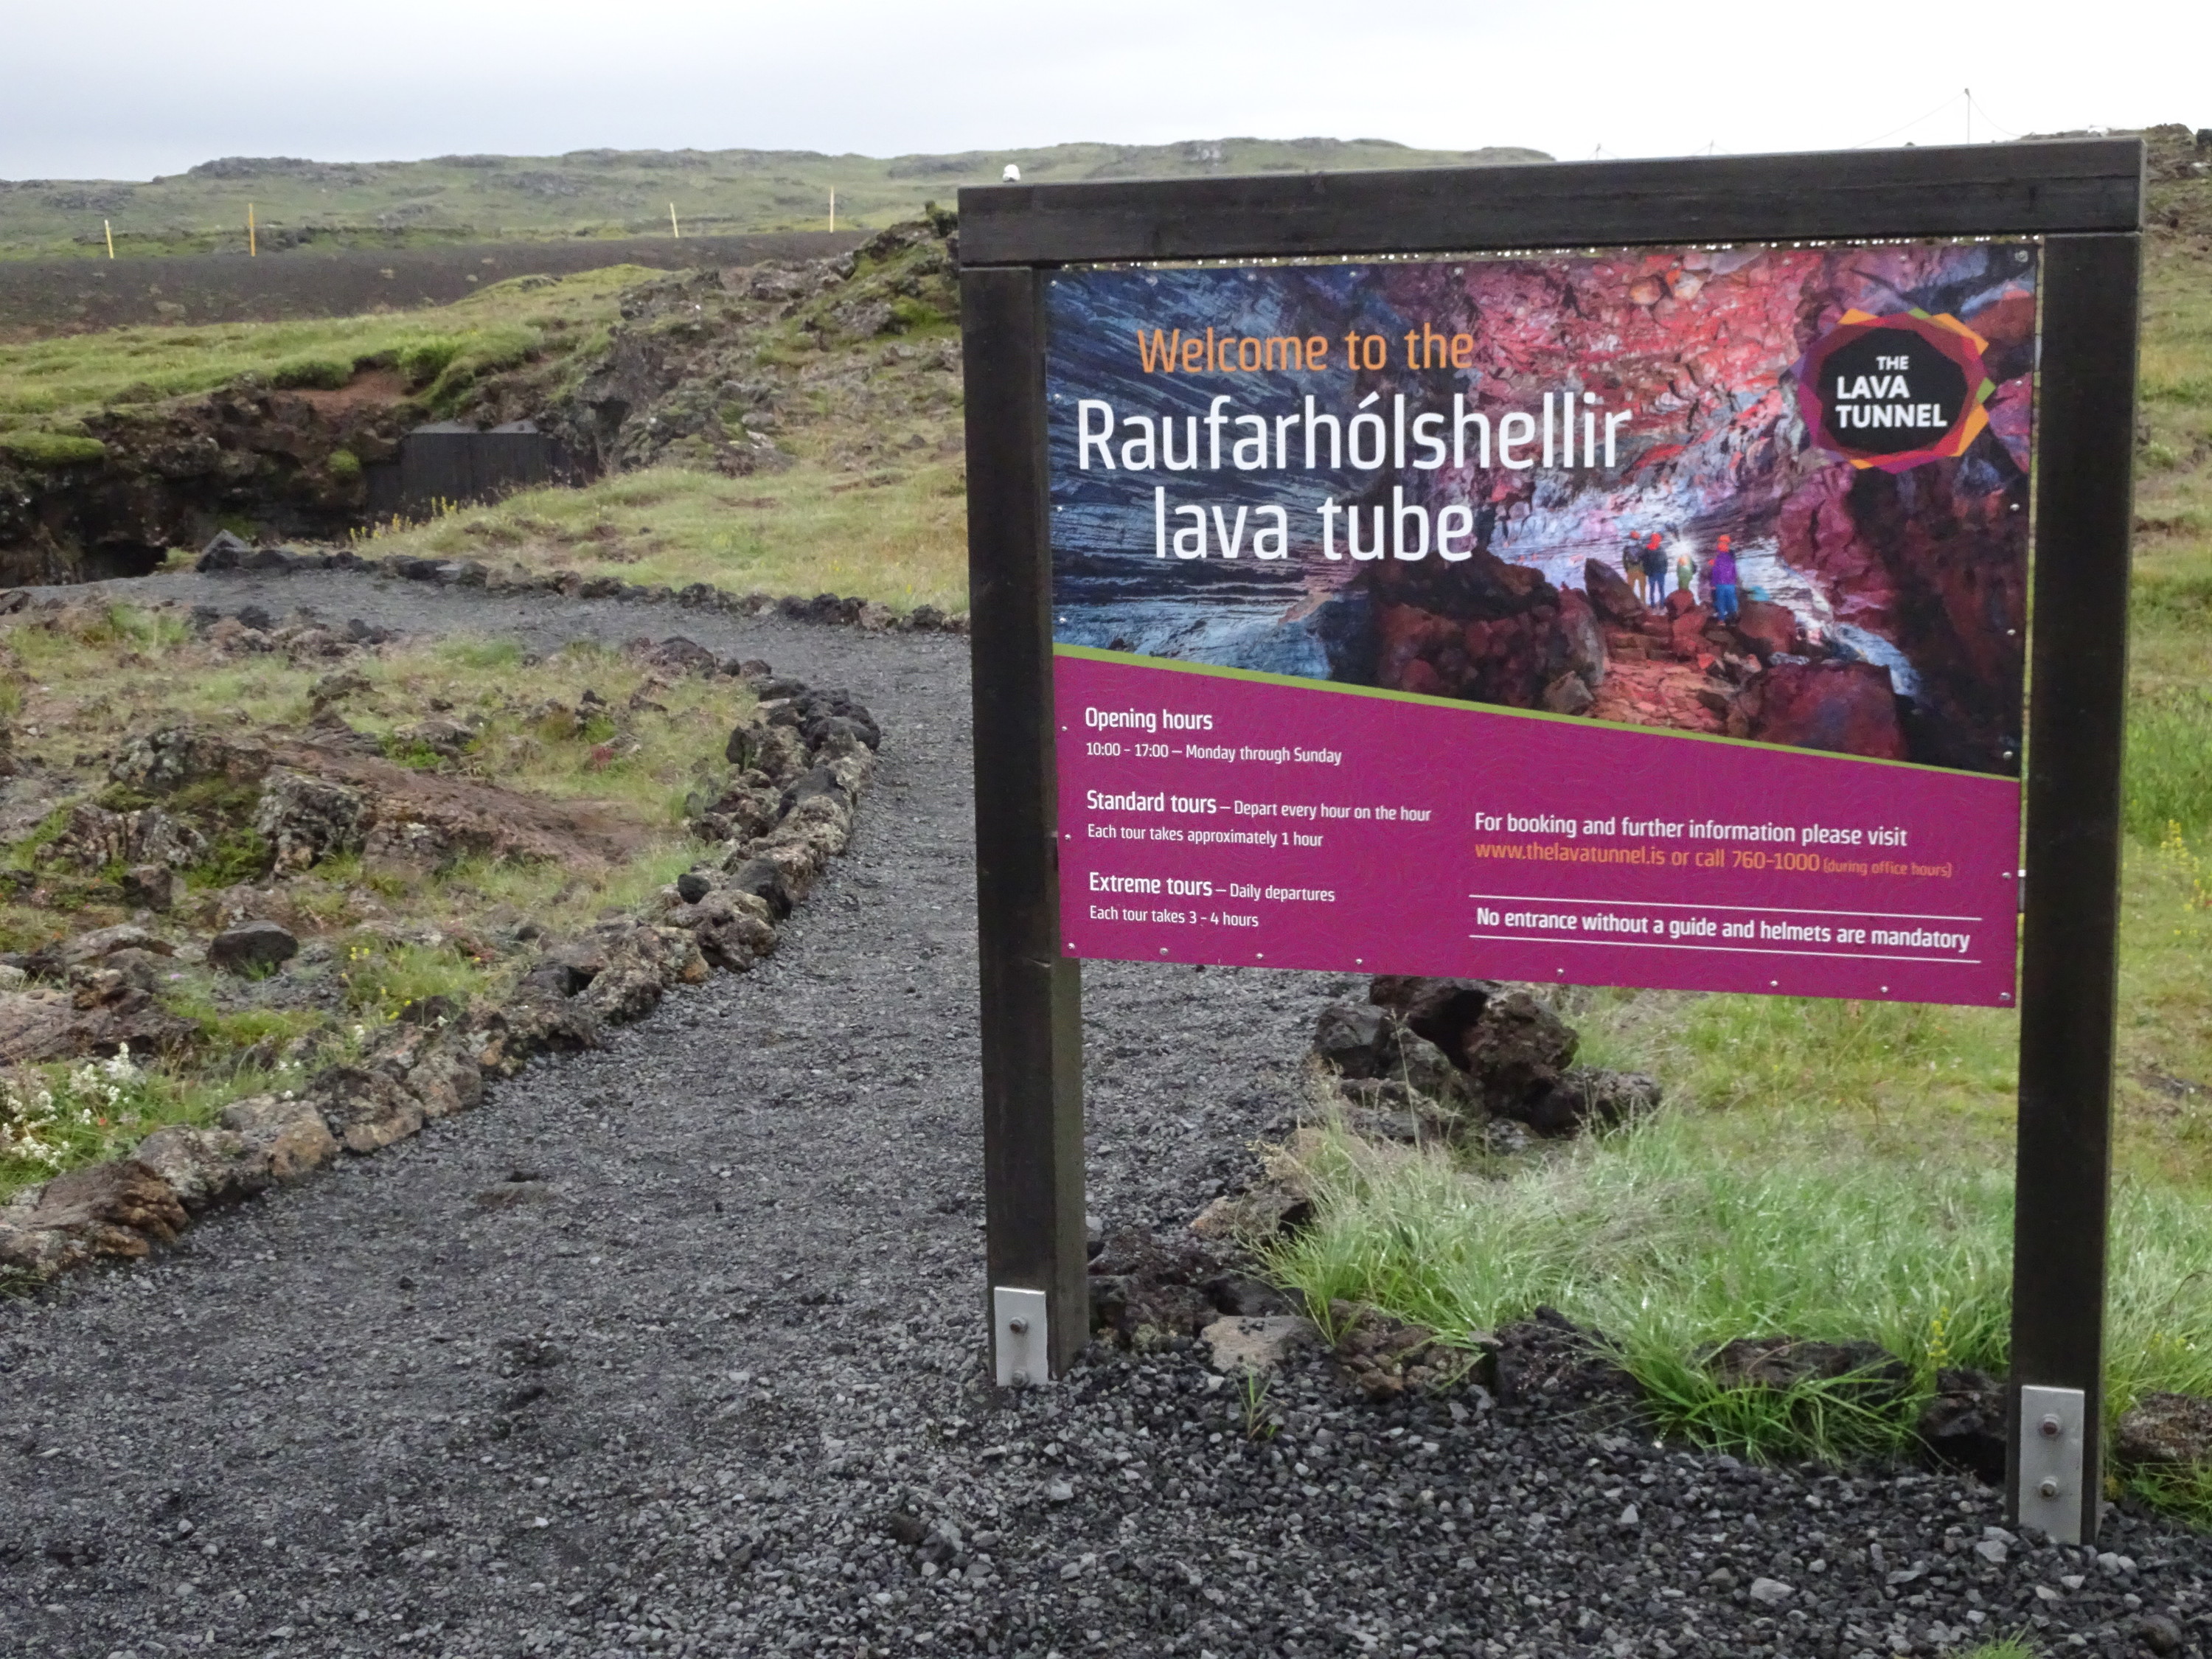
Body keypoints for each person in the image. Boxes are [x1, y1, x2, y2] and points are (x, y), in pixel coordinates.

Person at [1711, 535, 1741, 622]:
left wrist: (1713, 584)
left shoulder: (1718, 558)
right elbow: (1734, 571)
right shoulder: (1731, 558)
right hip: (1730, 583)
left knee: (1721, 600)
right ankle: (1733, 617)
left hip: (1720, 583)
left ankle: (1722, 620)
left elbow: (1715, 573)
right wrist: (1734, 581)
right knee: (1731, 599)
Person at [1640, 532, 1667, 608]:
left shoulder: (1647, 549)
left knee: (1652, 589)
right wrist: (1665, 570)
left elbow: (1643, 561)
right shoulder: (1661, 549)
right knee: (1661, 589)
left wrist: (1646, 571)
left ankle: (1652, 605)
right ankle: (1662, 605)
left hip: (1651, 573)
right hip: (1660, 572)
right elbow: (1665, 561)